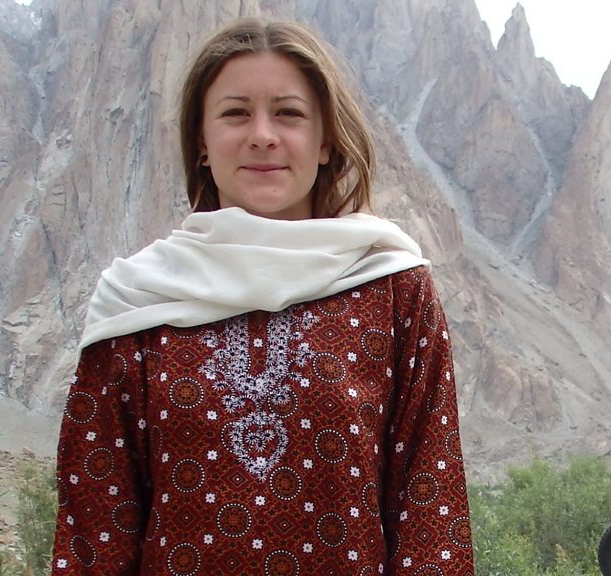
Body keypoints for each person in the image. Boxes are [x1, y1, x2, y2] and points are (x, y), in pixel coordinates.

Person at [50, 17, 474, 575]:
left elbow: (430, 505)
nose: (263, 135)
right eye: (235, 113)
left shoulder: (393, 288)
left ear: (325, 141)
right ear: (201, 143)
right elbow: (95, 533)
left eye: (289, 113)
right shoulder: (136, 303)